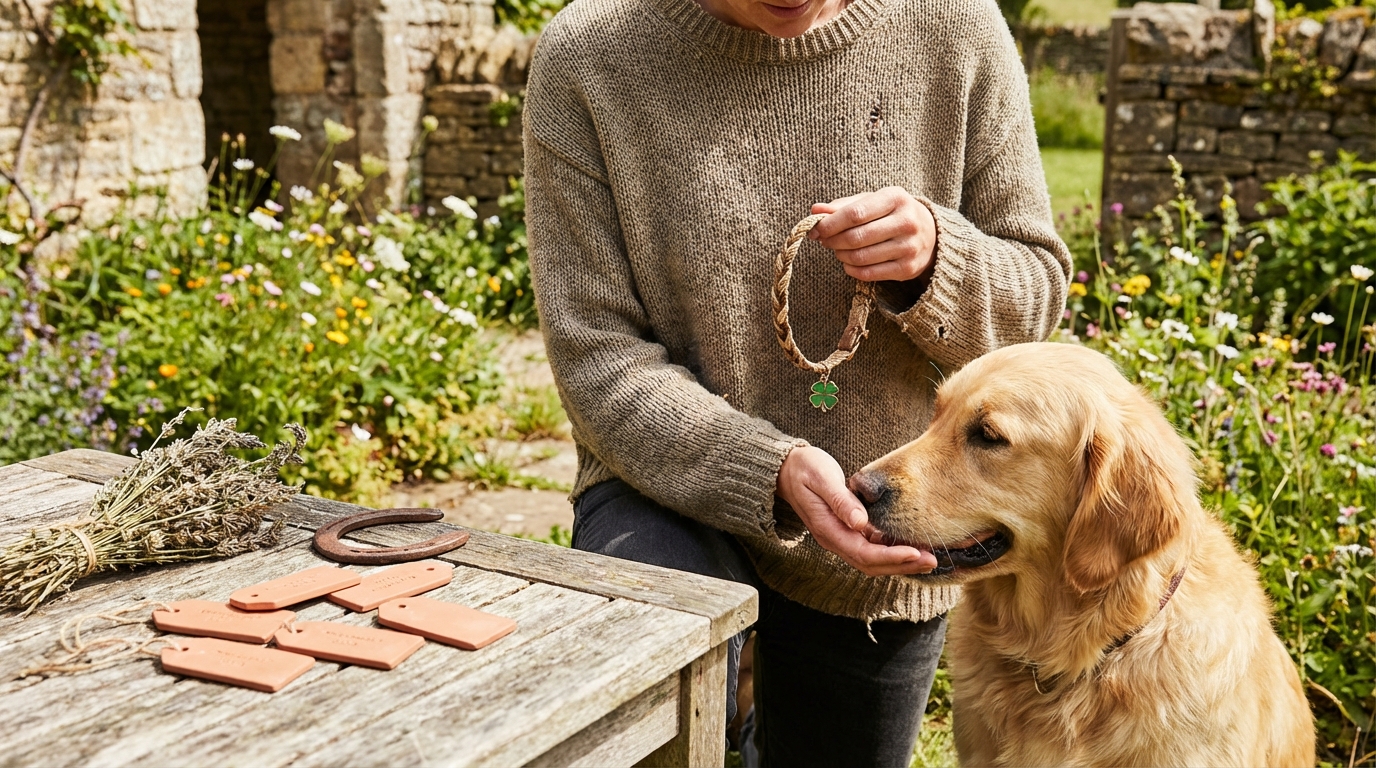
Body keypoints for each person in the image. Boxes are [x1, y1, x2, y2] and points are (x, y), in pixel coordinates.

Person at [522, 0, 1071, 763]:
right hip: (664, 495)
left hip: (885, 522)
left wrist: (939, 259)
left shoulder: (955, 24)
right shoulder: (589, 55)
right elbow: (597, 353)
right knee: (661, 742)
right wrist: (765, 468)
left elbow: (1032, 310)